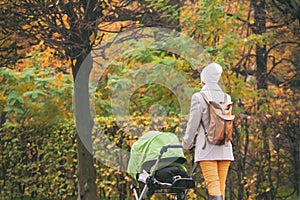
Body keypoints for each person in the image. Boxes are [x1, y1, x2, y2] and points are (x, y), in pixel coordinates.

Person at [182, 63, 234, 200]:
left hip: (207, 149)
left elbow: (192, 125)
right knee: (221, 187)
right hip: (225, 147)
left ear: (203, 79)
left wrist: (186, 145)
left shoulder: (199, 97)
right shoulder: (226, 97)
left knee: (213, 185)